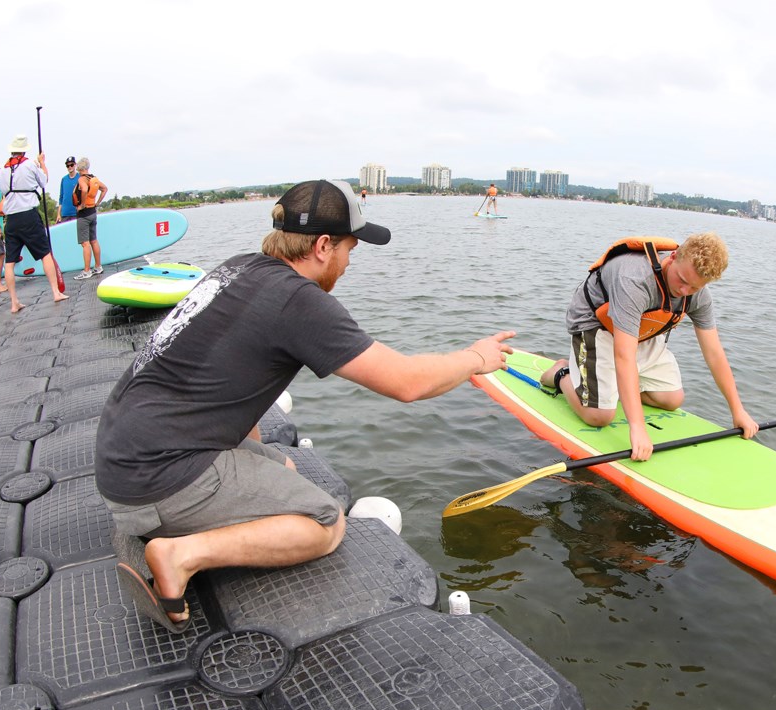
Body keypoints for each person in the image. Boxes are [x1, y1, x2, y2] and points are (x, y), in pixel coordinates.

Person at [94, 178, 515, 632]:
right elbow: (407, 383)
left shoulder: (239, 268)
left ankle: (163, 523)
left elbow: (241, 383)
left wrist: (265, 467)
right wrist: (476, 359)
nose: (350, 262)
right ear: (322, 246)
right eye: (350, 249)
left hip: (124, 449)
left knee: (287, 469)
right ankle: (178, 554)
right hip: (157, 475)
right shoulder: (300, 302)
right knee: (324, 524)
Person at [540, 233, 758, 462]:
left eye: (693, 287)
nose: (684, 291)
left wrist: (738, 410)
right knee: (599, 415)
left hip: (640, 329)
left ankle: (609, 386)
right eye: (682, 280)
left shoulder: (698, 294)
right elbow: (624, 356)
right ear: (673, 257)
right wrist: (638, 427)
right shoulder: (634, 279)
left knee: (672, 399)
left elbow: (714, 353)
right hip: (596, 324)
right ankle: (562, 374)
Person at [0, 134, 69, 312]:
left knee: (10, 262)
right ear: (24, 150)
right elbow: (43, 181)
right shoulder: (30, 164)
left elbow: (3, 190)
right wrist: (42, 163)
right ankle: (55, 292)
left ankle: (14, 303)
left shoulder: (2, 170)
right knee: (45, 253)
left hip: (11, 220)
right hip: (28, 216)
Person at [71, 156, 107, 279]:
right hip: (93, 212)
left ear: (79, 168)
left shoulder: (82, 179)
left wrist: (82, 205)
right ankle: (98, 266)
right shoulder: (93, 178)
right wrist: (97, 203)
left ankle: (86, 271)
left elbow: (85, 190)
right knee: (94, 241)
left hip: (84, 214)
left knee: (85, 244)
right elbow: (105, 189)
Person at [55, 156, 77, 225]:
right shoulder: (64, 179)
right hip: (65, 214)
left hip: (76, 213)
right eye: (68, 165)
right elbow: (61, 197)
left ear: (75, 165)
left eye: (71, 165)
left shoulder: (80, 177)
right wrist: (58, 214)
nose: (70, 167)